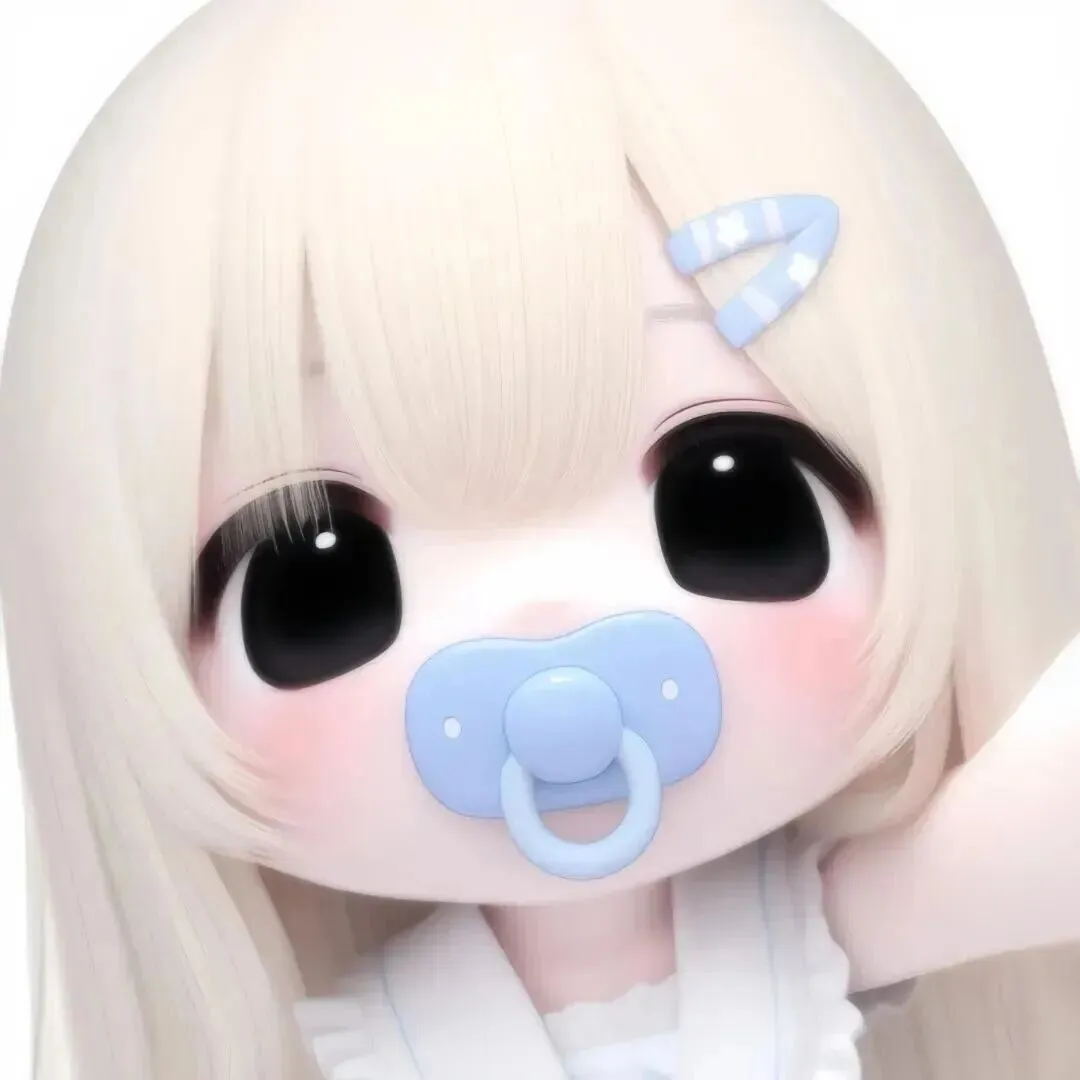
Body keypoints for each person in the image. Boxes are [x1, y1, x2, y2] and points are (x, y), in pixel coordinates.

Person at [2, 1, 1079, 1077]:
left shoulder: (799, 949)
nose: (551, 649)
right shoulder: (382, 1039)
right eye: (320, 590)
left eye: (734, 505)